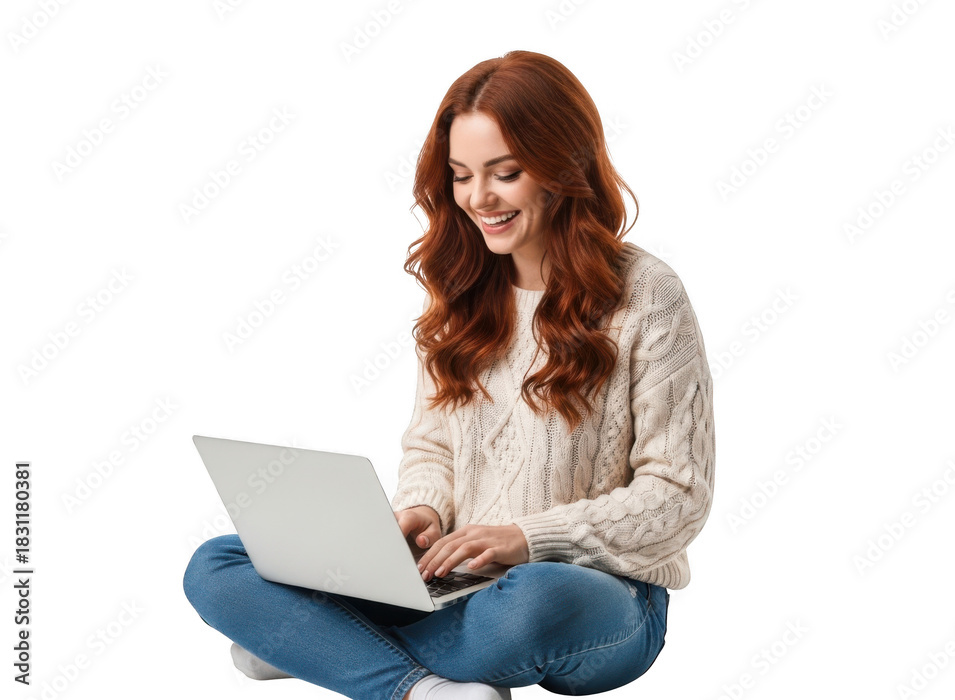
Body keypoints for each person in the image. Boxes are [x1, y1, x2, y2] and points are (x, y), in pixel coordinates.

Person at [183, 49, 715, 700]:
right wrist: (422, 508)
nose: (478, 198)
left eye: (505, 173)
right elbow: (432, 445)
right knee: (217, 563)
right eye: (462, 176)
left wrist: (526, 539)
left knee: (536, 600)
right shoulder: (464, 289)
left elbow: (678, 494)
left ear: (564, 167)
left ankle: (318, 646)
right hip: (451, 586)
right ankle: (421, 689)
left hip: (599, 595)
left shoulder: (648, 294)